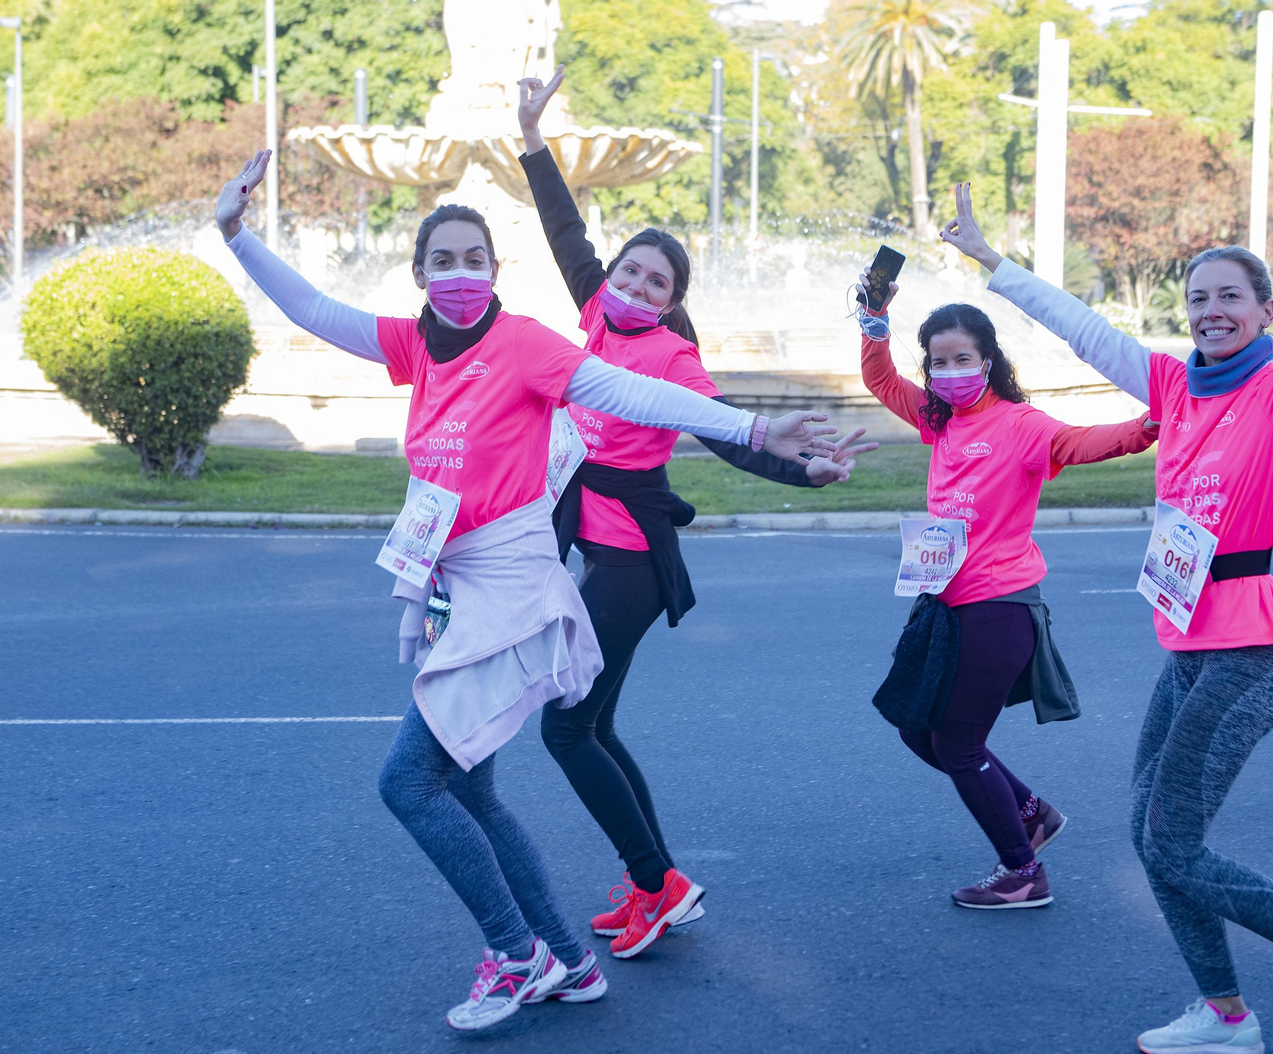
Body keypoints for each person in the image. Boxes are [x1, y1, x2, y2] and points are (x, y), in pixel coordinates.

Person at [213, 151, 842, 1032]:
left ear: (496, 271)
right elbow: (318, 310)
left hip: (510, 588)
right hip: (452, 581)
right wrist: (236, 234)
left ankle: (521, 955)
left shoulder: (529, 345)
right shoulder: (412, 344)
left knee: (409, 785)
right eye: (444, 260)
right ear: (421, 273)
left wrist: (757, 428)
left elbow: (631, 391)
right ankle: (568, 961)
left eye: (476, 259)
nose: (461, 273)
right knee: (468, 789)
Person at [938, 116, 1273, 1054]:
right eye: (1198, 299)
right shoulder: (1176, 385)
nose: (1210, 310)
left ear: (1262, 311)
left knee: (1174, 839)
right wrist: (992, 263)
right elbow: (1082, 329)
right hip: (1188, 648)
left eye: (1230, 297)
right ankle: (1226, 1016)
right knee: (1154, 837)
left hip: (1252, 652)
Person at [515, 67, 878, 960]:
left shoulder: (675, 362)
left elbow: (731, 438)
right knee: (592, 725)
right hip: (587, 546)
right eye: (629, 273)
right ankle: (655, 883)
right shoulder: (595, 316)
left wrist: (810, 473)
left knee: (566, 729)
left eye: (655, 282)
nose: (635, 289)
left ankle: (659, 883)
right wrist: (530, 136)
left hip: (632, 562)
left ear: (675, 299)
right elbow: (566, 231)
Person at [857, 276, 1158, 910]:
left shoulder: (1019, 425)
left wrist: (1149, 424)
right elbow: (883, 382)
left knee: (959, 748)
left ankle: (1023, 871)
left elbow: (1080, 442)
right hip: (943, 603)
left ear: (988, 360)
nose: (949, 371)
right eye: (938, 362)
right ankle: (1030, 811)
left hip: (998, 607)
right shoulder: (939, 419)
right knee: (919, 729)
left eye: (962, 359)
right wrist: (874, 320)